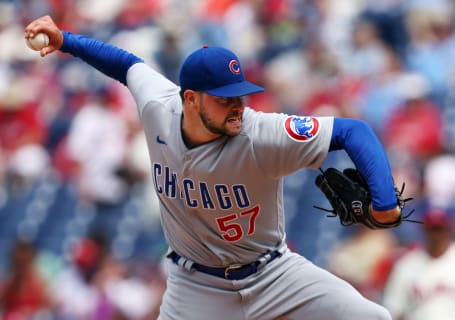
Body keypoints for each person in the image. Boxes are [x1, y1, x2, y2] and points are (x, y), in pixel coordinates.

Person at [25, 15, 403, 320]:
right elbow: (125, 64)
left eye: (239, 95)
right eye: (225, 99)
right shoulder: (159, 105)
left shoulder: (261, 134)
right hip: (196, 289)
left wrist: (384, 201)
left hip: (273, 274)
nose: (237, 105)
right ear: (190, 99)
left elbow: (355, 132)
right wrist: (65, 40)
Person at [382, 208, 455, 320]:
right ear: (424, 231)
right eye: (432, 229)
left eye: (440, 229)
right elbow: (394, 309)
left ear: (451, 230)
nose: (436, 235)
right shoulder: (407, 265)